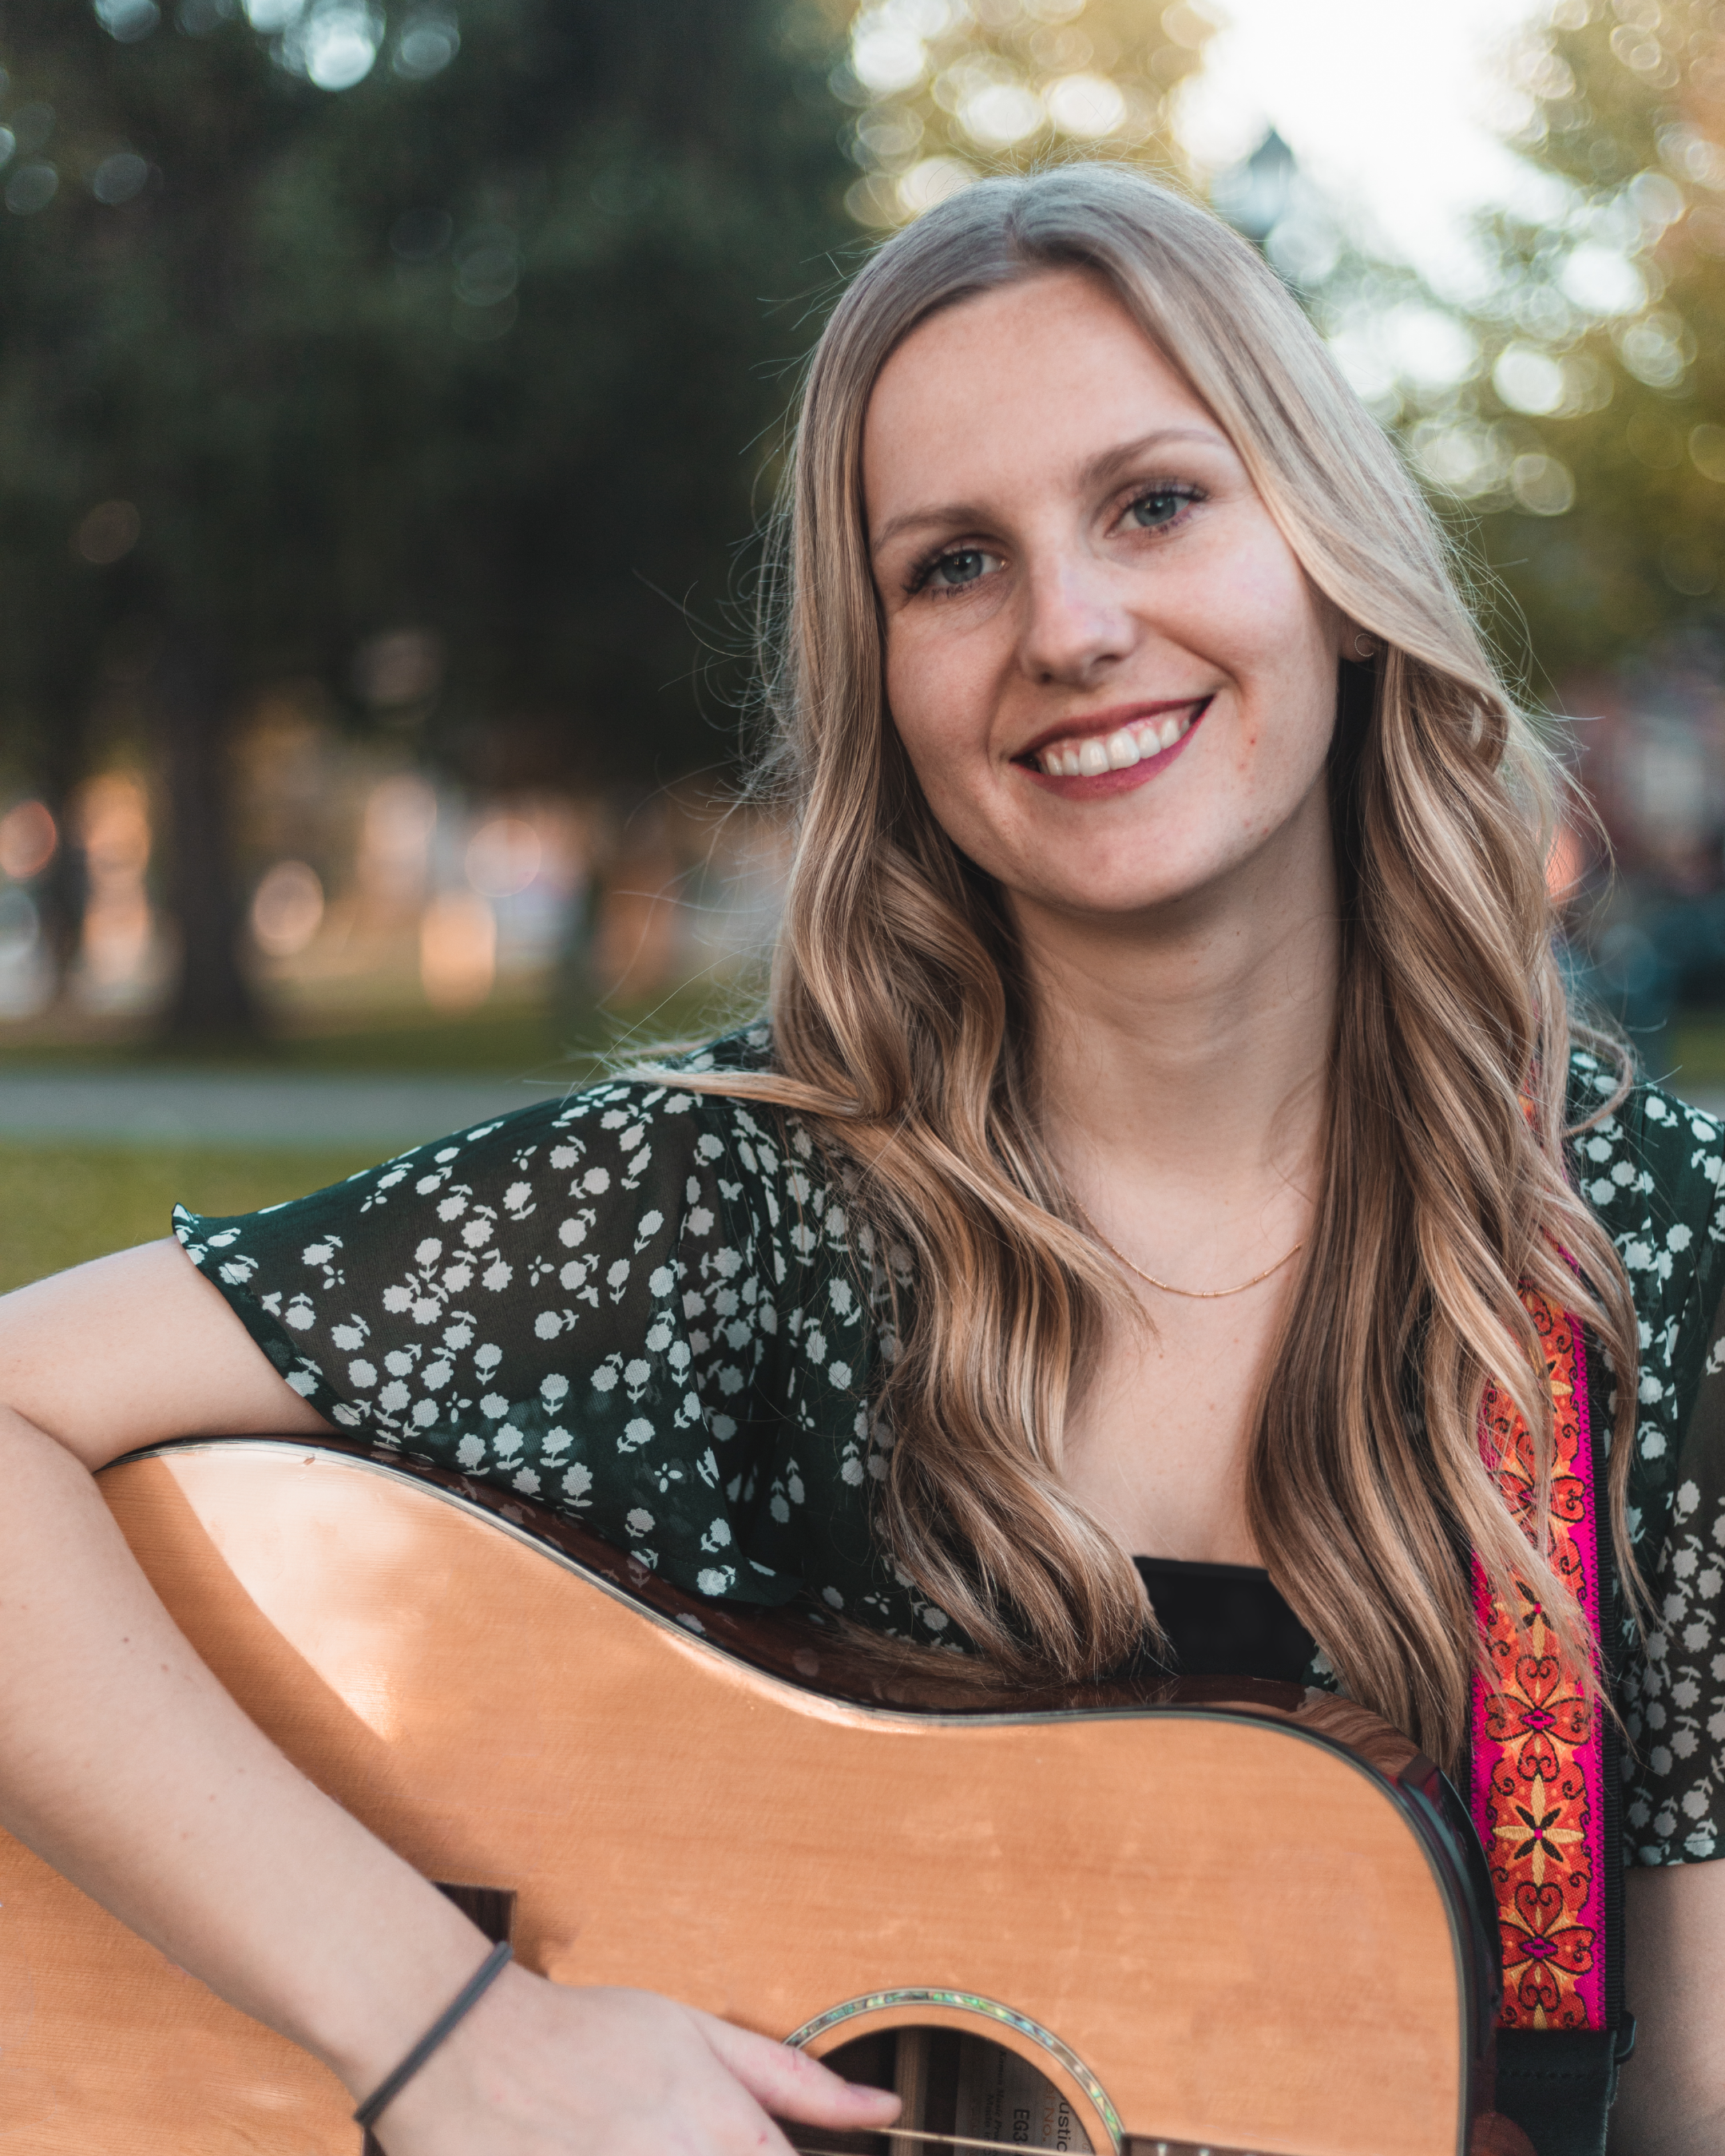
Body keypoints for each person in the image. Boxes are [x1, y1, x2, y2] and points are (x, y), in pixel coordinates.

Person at [0, 164, 1720, 2156]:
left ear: (1330, 562)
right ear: (884, 681)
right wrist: (441, 2034)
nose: (1072, 629)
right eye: (953, 566)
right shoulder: (733, 1207)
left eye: (1154, 503)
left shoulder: (1642, 1259)